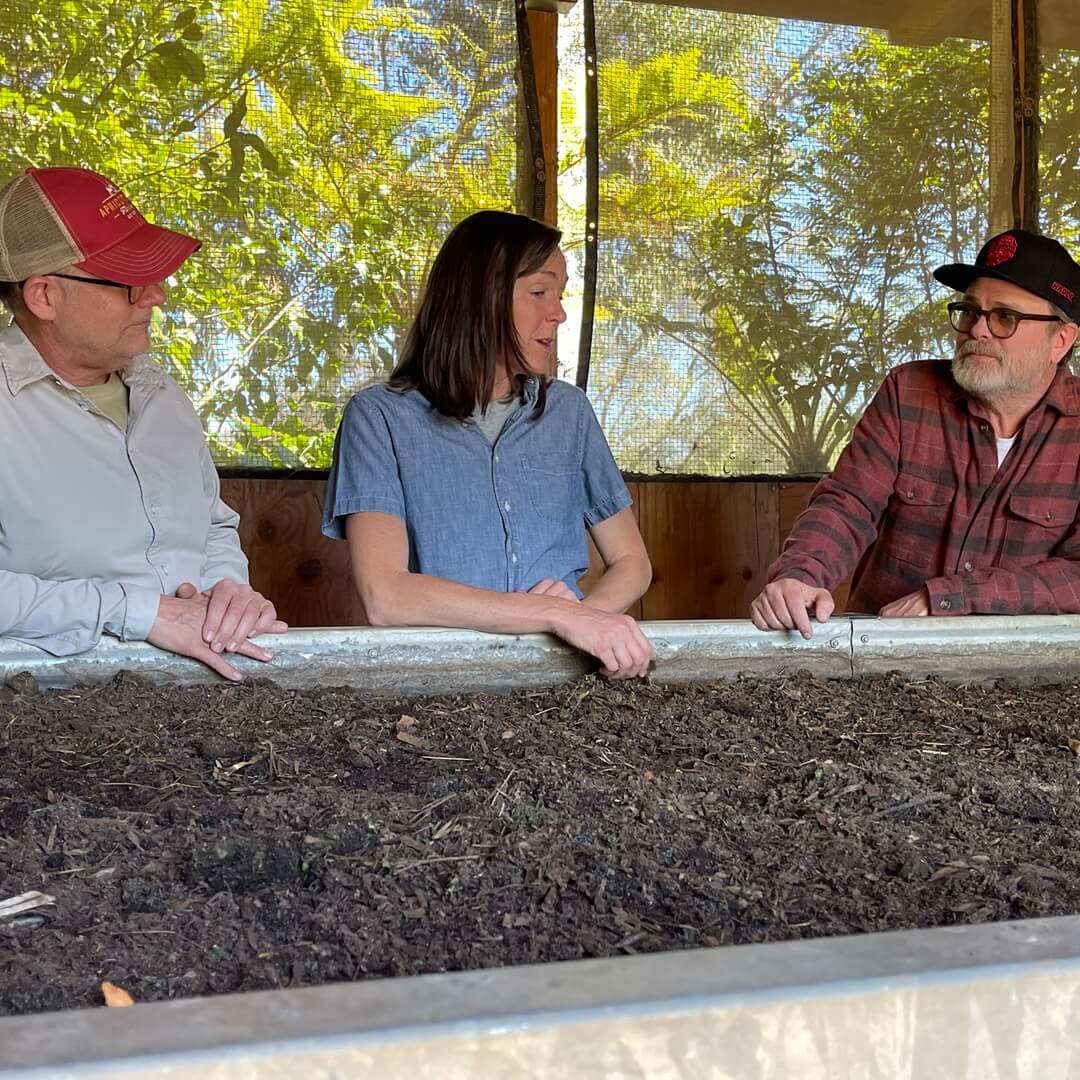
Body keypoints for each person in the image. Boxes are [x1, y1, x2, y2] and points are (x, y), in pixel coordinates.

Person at [323, 210, 652, 678]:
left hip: (566, 678)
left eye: (559, 296)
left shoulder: (570, 413)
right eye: (540, 292)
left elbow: (632, 562)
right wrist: (556, 614)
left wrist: (588, 618)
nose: (557, 312)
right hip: (440, 684)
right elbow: (386, 596)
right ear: (481, 298)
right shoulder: (378, 418)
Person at [0, 165, 286, 680]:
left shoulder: (161, 393)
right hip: (46, 706)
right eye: (128, 282)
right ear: (44, 295)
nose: (155, 295)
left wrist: (227, 592)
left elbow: (213, 525)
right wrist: (138, 611)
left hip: (201, 685)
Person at [751, 228, 1080, 638]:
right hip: (884, 654)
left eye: (1004, 318)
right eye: (970, 311)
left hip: (1019, 670)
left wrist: (951, 597)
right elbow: (848, 502)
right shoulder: (909, 392)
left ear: (1061, 340)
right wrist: (800, 574)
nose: (978, 330)